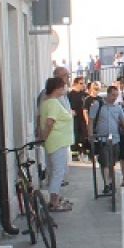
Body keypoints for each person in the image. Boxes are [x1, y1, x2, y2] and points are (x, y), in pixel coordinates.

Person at [88, 85, 124, 192]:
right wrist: (90, 135)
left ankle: (110, 182)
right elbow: (91, 120)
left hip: (115, 139)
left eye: (116, 95)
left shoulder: (117, 107)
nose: (114, 97)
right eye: (112, 95)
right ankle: (106, 184)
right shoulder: (98, 105)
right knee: (105, 162)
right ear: (108, 93)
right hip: (102, 139)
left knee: (112, 163)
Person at [36, 76, 75, 212]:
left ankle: (55, 199)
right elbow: (50, 122)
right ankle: (54, 201)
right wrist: (44, 138)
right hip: (57, 141)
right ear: (57, 88)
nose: (64, 89)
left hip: (55, 141)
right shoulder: (53, 102)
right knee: (58, 172)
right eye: (63, 86)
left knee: (55, 171)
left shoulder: (46, 102)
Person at [68, 76, 89, 162]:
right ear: (75, 84)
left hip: (83, 118)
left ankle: (85, 152)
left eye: (84, 83)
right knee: (75, 136)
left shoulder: (85, 95)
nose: (83, 85)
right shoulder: (69, 95)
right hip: (74, 119)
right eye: (81, 83)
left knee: (84, 136)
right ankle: (75, 154)